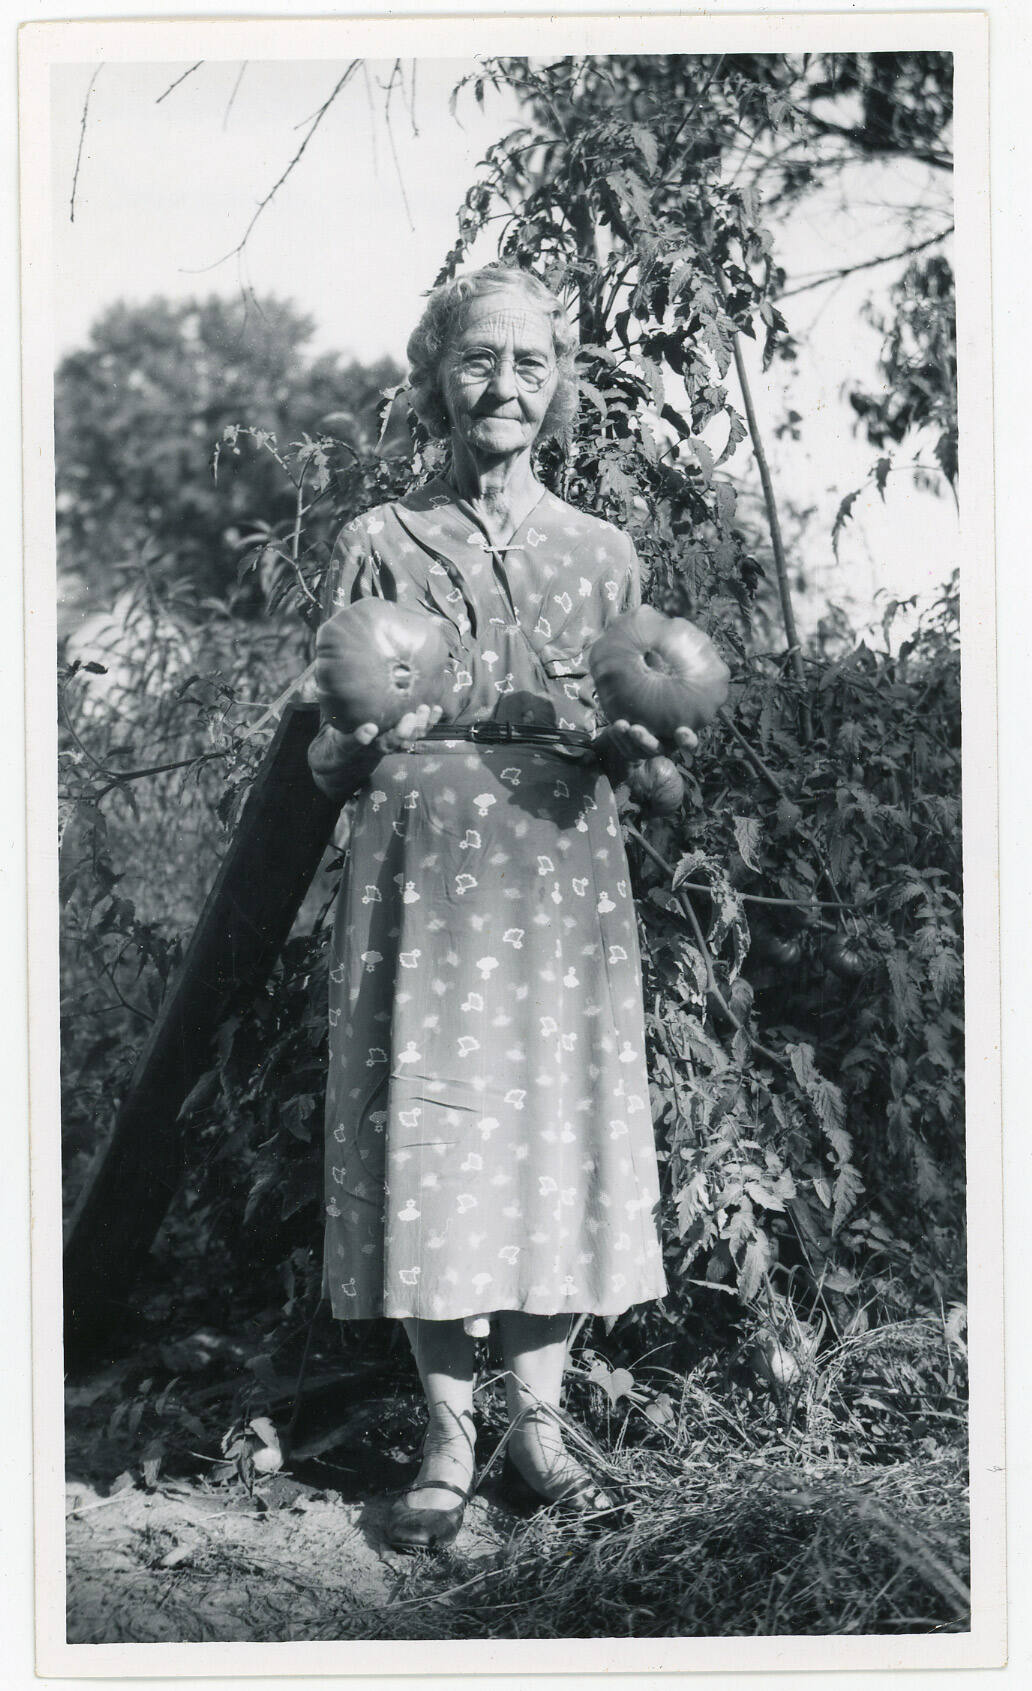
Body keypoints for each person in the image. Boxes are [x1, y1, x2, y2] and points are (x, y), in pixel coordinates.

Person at [307, 263, 697, 1551]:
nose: (505, 386)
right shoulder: (379, 541)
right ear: (436, 378)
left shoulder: (603, 554)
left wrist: (643, 755)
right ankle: (446, 1435)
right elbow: (324, 760)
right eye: (479, 359)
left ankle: (539, 1423)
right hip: (420, 873)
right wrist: (357, 737)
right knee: (432, 1127)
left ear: (561, 384)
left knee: (551, 1124)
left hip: (558, 873)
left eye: (531, 362)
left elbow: (658, 763)